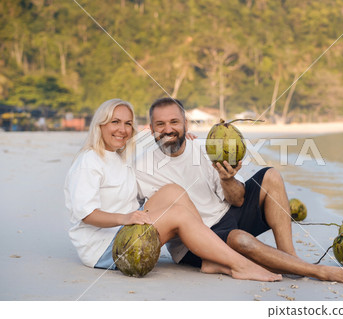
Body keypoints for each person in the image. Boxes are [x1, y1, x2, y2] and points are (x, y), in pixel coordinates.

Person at [135, 97, 343, 286]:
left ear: (186, 124)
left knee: (271, 175)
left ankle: (290, 258)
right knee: (240, 239)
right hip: (193, 242)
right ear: (151, 127)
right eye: (160, 124)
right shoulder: (142, 168)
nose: (168, 130)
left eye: (174, 122)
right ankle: (319, 271)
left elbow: (238, 199)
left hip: (227, 215)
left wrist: (227, 179)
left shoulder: (206, 149)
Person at [64, 98, 281, 282]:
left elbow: (159, 142)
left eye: (128, 123)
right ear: (100, 125)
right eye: (115, 122)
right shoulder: (89, 161)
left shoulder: (118, 157)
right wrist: (127, 217)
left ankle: (212, 261)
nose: (122, 129)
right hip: (107, 250)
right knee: (177, 213)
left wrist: (180, 135)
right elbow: (86, 214)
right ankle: (239, 265)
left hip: (124, 233)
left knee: (172, 191)